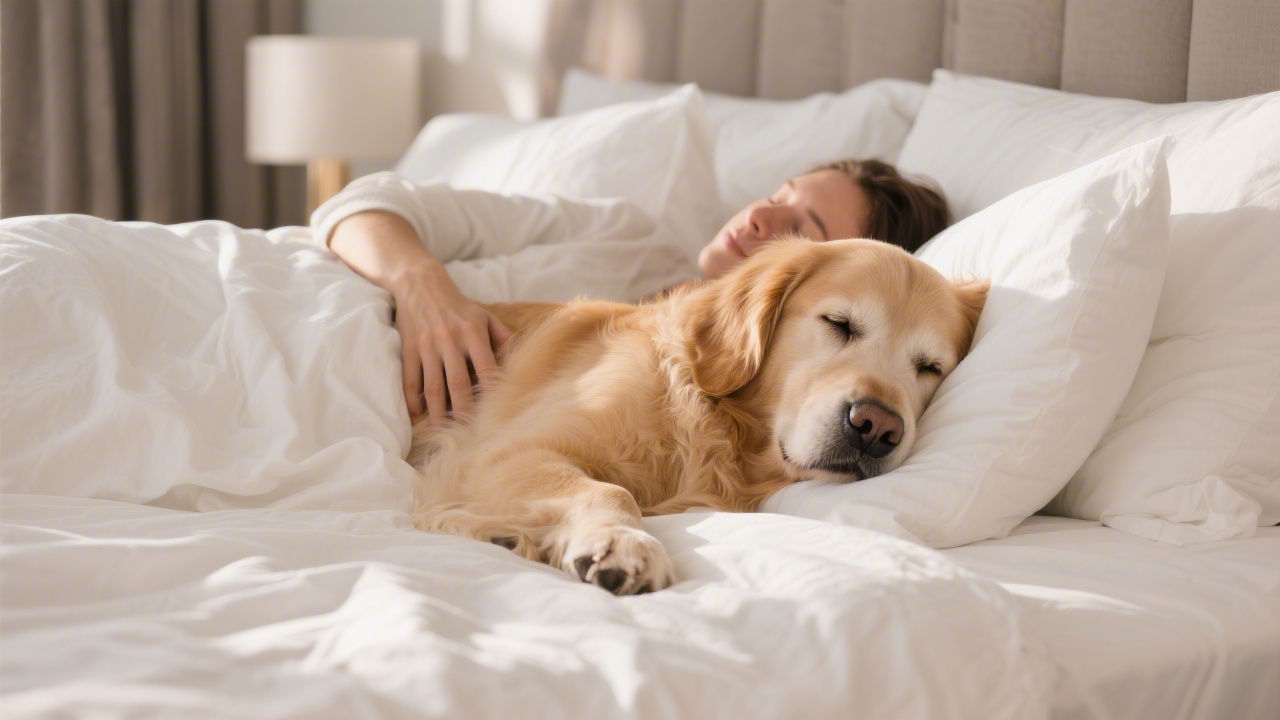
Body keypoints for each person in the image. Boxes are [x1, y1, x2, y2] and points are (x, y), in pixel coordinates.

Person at [311, 159, 949, 423]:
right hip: (314, 300)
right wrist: (426, 292)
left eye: (799, 228)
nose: (760, 217)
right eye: (778, 195)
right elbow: (363, 202)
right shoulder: (628, 237)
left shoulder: (712, 421)